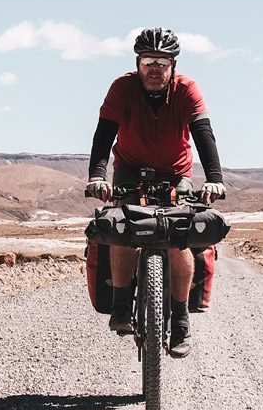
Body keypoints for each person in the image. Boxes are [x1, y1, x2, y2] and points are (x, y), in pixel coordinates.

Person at [83, 27, 226, 357]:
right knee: (122, 228)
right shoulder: (123, 88)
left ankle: (180, 322)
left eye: (162, 61)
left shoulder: (187, 89)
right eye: (149, 60)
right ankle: (121, 305)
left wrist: (215, 178)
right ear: (138, 62)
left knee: (179, 240)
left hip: (176, 174)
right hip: (130, 170)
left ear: (173, 64)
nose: (155, 68)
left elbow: (204, 134)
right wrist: (97, 176)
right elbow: (104, 135)